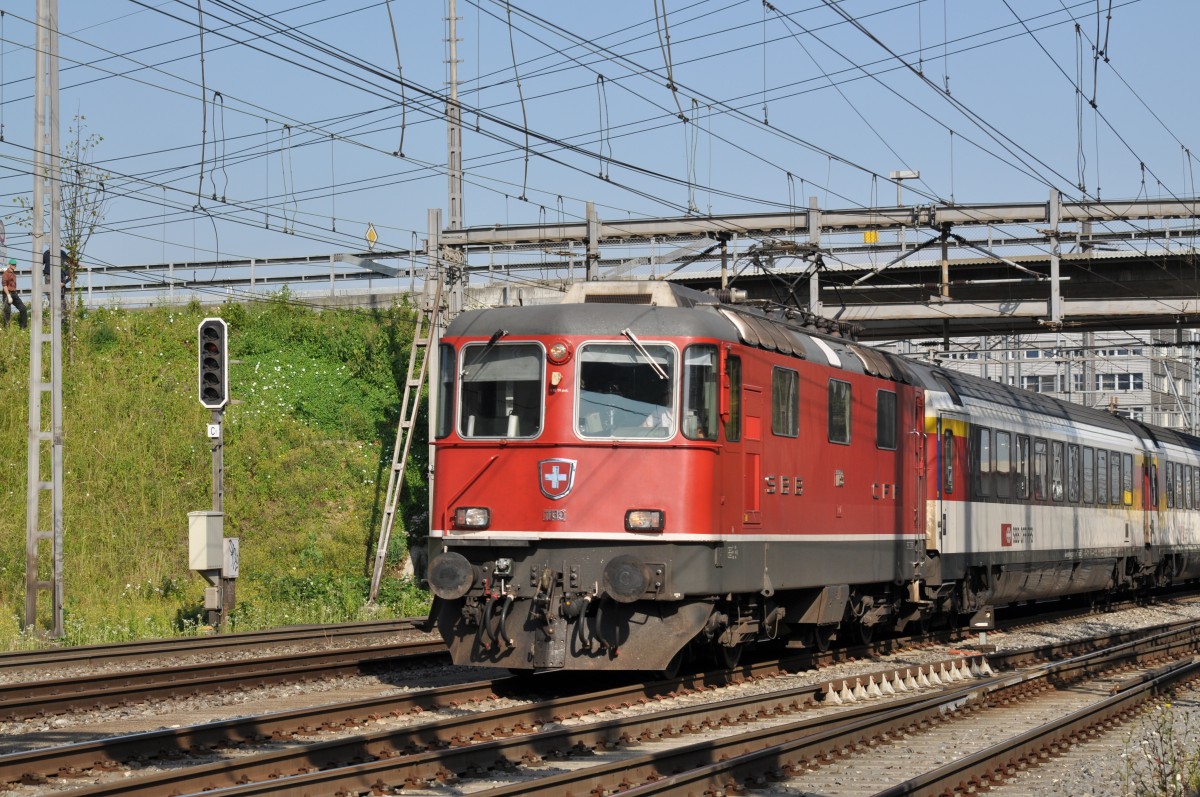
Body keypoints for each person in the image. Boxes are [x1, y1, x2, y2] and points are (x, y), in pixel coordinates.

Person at [2, 258, 28, 329]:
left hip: (14, 294)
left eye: (15, 264)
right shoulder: (5, 274)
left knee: (23, 308)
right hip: (7, 294)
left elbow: (13, 285)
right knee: (7, 312)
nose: (14, 266)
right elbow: (4, 286)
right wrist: (8, 295)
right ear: (9, 265)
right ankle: (7, 329)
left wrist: (15, 293)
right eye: (13, 264)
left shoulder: (14, 275)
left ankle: (23, 328)